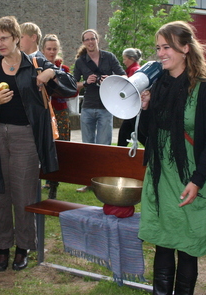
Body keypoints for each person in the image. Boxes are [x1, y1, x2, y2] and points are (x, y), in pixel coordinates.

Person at [0, 16, 77, 272]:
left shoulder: (36, 65)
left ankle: (23, 247)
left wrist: (53, 73)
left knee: (25, 193)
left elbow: (70, 87)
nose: (0, 44)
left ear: (17, 38)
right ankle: (3, 247)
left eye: (4, 38)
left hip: (26, 138)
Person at [138, 21, 206, 295]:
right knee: (163, 242)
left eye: (167, 47)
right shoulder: (157, 85)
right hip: (160, 175)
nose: (160, 53)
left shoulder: (205, 90)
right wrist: (144, 108)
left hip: (189, 176)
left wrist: (197, 180)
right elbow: (146, 138)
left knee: (188, 246)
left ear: (185, 48)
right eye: (158, 47)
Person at [73, 29, 124, 191]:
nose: (90, 42)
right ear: (83, 43)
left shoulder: (109, 57)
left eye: (92, 38)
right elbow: (73, 85)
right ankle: (89, 183)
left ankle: (103, 182)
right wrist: (86, 83)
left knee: (104, 147)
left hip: (106, 107)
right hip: (87, 107)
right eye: (86, 39)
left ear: (97, 39)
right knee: (88, 148)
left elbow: (124, 77)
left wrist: (110, 79)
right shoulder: (81, 62)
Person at [40, 33, 73, 199]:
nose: (51, 52)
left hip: (59, 112)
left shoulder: (63, 70)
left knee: (58, 148)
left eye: (54, 49)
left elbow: (71, 92)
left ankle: (54, 186)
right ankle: (43, 179)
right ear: (43, 50)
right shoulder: (36, 68)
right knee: (42, 146)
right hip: (43, 112)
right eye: (48, 49)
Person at [117, 47, 145, 147]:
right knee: (127, 134)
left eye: (125, 59)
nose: (124, 61)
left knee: (126, 135)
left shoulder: (134, 70)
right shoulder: (135, 70)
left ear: (131, 58)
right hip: (134, 110)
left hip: (133, 110)